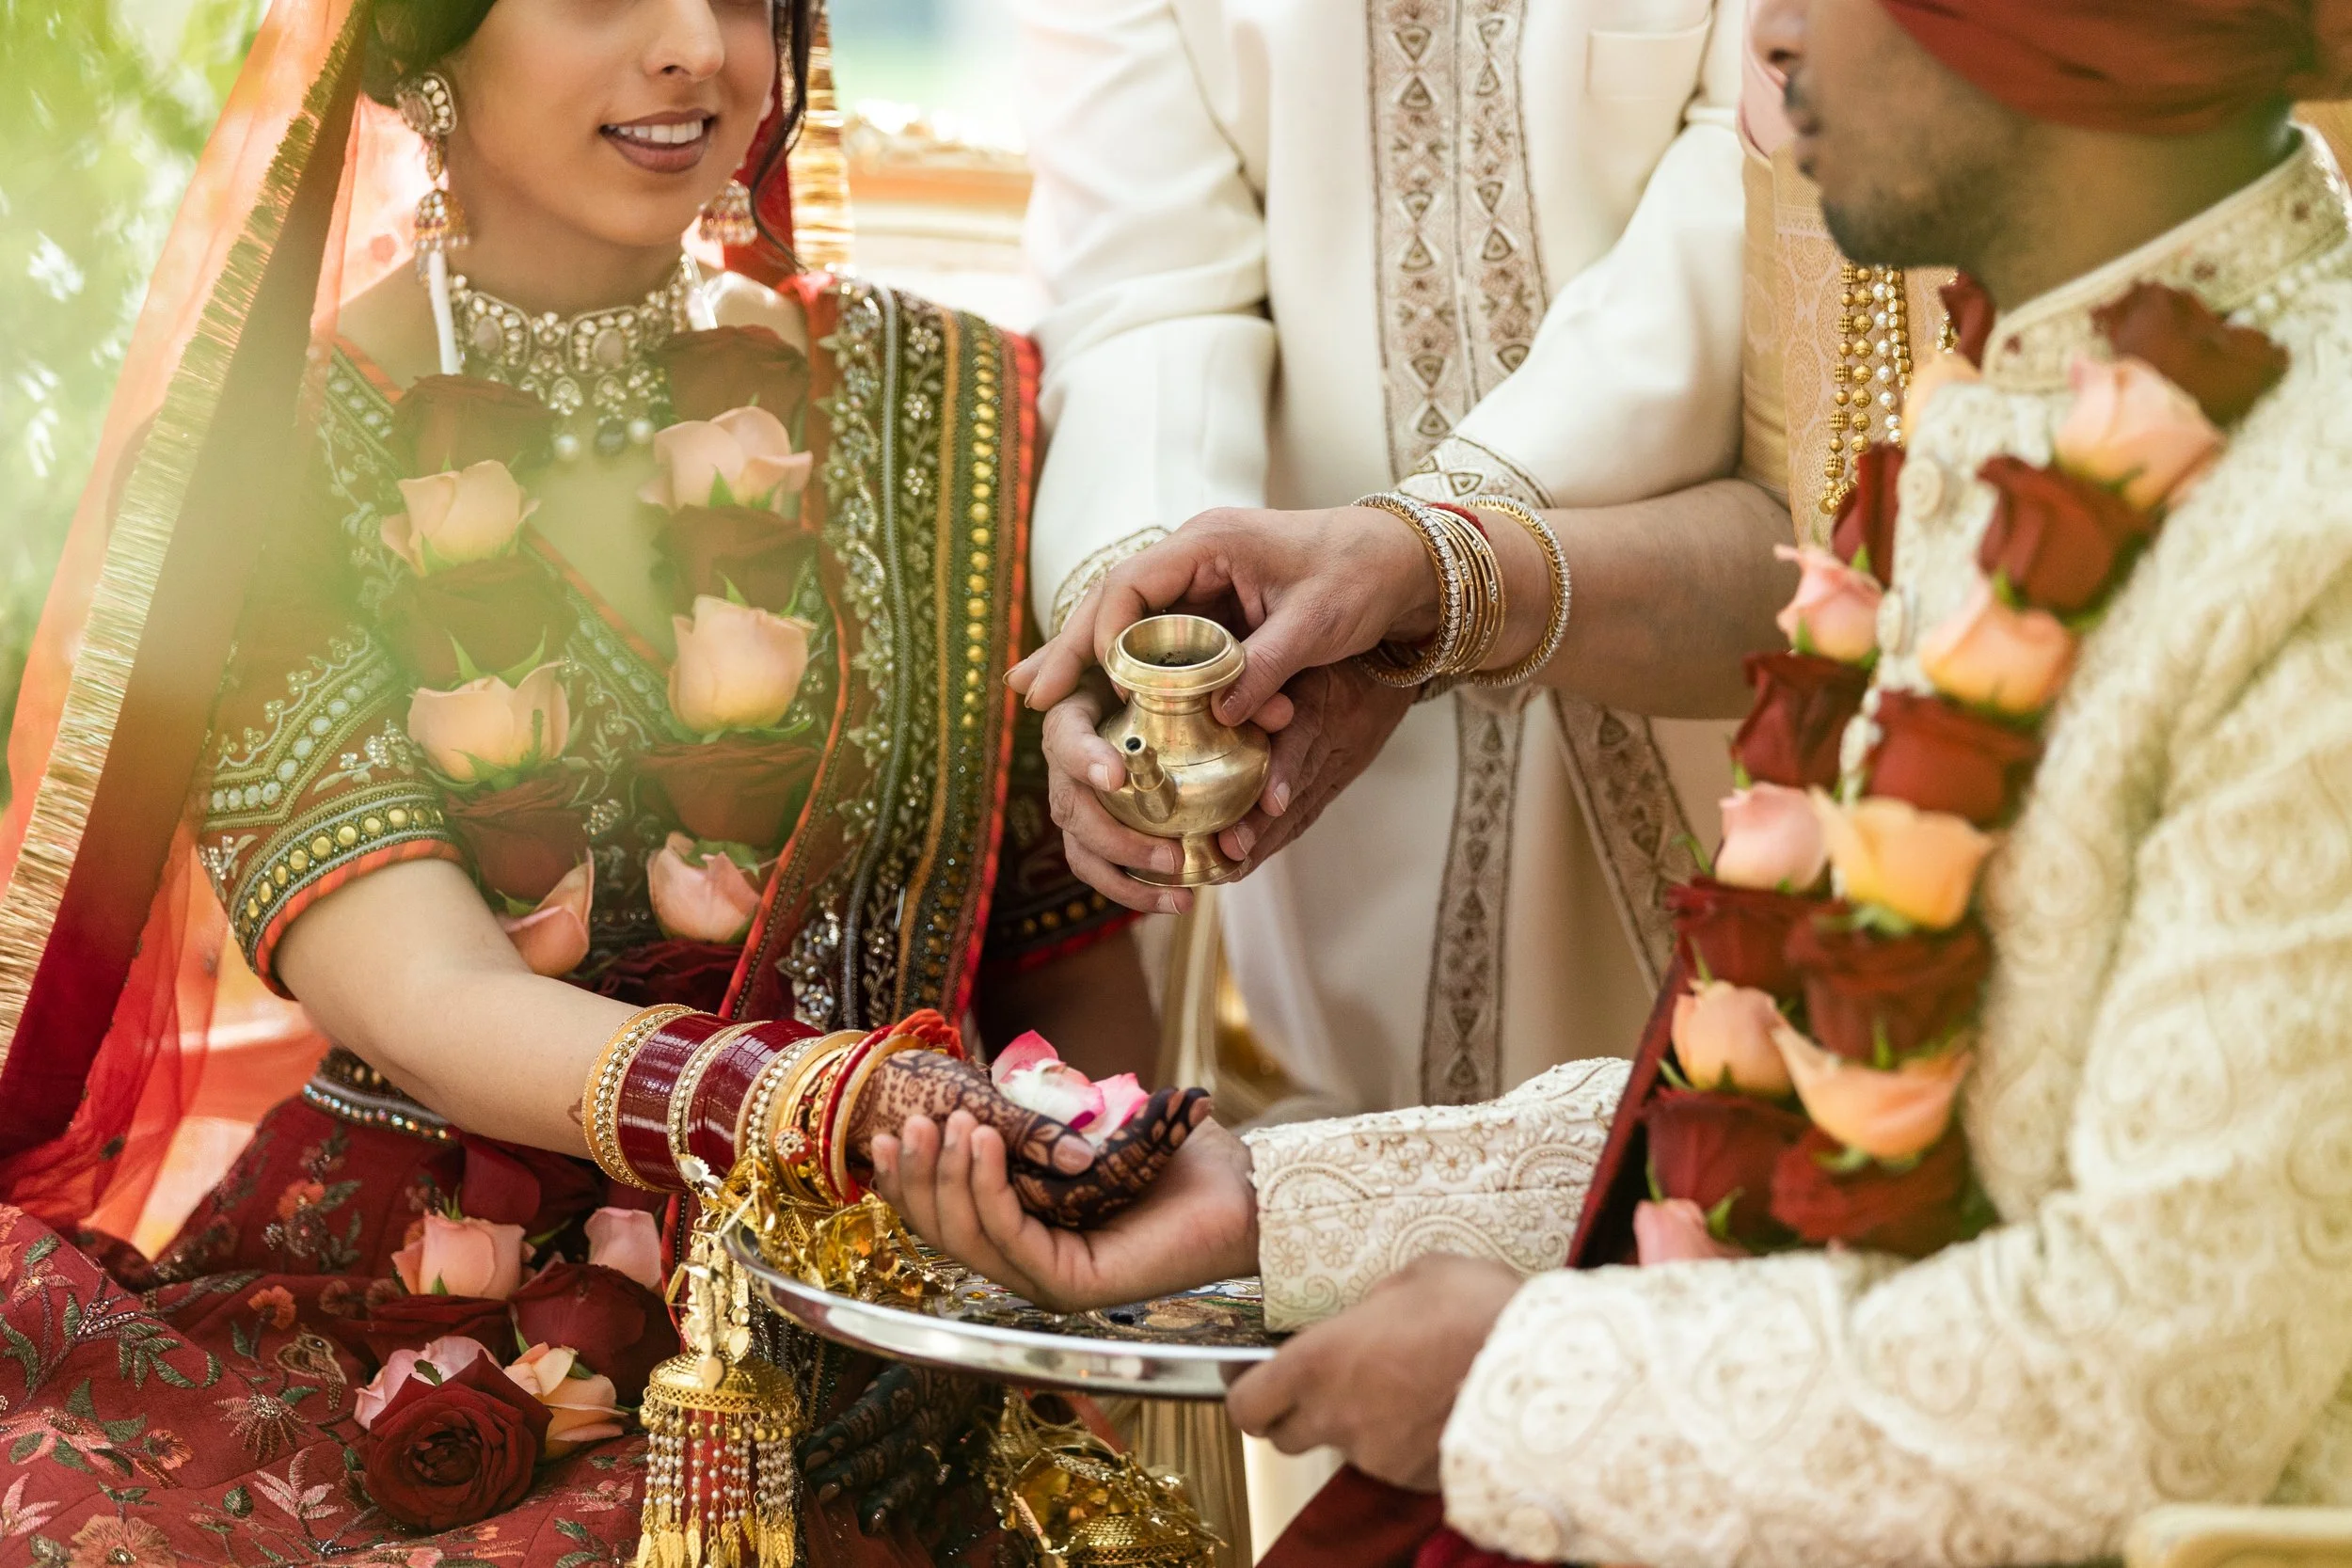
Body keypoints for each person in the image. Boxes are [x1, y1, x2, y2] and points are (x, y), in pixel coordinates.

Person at [881, 0, 2352, 1562]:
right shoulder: (2031, 413)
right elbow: (1822, 1129)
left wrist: (1517, 1380)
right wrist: (1278, 1204)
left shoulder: (2304, 549)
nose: (1762, 37)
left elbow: (2163, 1373)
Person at [0, 1, 1203, 1562]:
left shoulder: (954, 401)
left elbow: (1067, 964)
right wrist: (807, 1096)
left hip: (909, 1345)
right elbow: (422, 989)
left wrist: (1086, 1295)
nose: (695, 45)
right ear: (429, 36)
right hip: (427, 1342)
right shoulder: (277, 457)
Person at [1015, 0, 1788, 1122]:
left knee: (1712, 1166)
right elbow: (1145, 289)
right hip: (1296, 714)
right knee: (1333, 1205)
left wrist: (1433, 553)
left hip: (1683, 624)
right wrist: (1148, 617)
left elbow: (1751, 163)